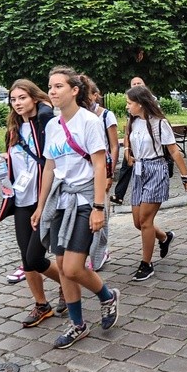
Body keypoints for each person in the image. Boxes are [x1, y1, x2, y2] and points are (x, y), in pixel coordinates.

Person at [31, 66, 120, 349]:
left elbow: (98, 165)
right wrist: (40, 205)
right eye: (51, 86)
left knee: (72, 267)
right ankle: (77, 324)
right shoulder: (52, 125)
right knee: (62, 265)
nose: (53, 91)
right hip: (61, 200)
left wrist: (97, 208)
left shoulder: (89, 122)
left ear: (74, 90)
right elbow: (49, 167)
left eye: (59, 86)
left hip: (84, 201)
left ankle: (107, 296)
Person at [0, 79, 65, 328]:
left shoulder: (45, 122)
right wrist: (3, 165)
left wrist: (42, 205)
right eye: (13, 99)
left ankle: (68, 284)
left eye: (22, 97)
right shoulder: (12, 131)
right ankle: (41, 305)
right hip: (22, 200)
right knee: (27, 260)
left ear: (34, 98)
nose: (17, 103)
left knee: (36, 257)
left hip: (44, 199)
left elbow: (53, 159)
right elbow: (17, 162)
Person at [125, 85, 187, 281]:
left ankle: (146, 264)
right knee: (137, 222)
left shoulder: (159, 123)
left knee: (146, 221)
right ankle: (165, 237)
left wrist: (185, 175)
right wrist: (129, 155)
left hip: (156, 169)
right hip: (139, 171)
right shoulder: (132, 122)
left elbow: (173, 151)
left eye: (129, 103)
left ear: (140, 104)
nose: (127, 107)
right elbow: (128, 143)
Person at [80, 75, 118, 271]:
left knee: (101, 211)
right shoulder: (79, 116)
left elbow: (113, 145)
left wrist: (110, 173)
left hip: (102, 167)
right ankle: (89, 252)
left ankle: (101, 251)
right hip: (86, 169)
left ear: (95, 96)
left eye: (89, 95)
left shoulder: (105, 116)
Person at [111, 76, 146, 206]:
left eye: (139, 83)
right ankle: (119, 195)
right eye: (134, 83)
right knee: (126, 167)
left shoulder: (150, 103)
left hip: (145, 149)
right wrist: (126, 148)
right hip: (132, 143)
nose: (136, 85)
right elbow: (128, 127)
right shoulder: (131, 106)